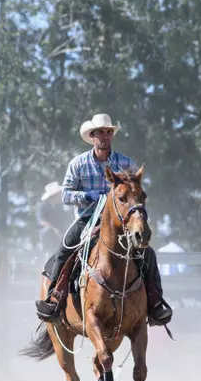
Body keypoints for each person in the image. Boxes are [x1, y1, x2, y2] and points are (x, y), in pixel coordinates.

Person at [35, 113, 173, 326]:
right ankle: (55, 297)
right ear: (92, 136)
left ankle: (155, 302)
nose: (105, 137)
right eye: (100, 133)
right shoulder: (78, 164)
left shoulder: (126, 163)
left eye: (108, 132)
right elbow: (66, 195)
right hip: (87, 218)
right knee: (65, 250)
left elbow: (137, 193)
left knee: (148, 254)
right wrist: (88, 196)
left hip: (121, 221)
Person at [36, 182, 71, 257]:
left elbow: (65, 220)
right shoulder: (43, 207)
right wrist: (54, 230)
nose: (60, 196)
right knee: (48, 231)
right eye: (58, 194)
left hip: (59, 231)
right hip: (48, 233)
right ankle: (47, 252)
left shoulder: (59, 207)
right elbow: (42, 221)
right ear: (53, 196)